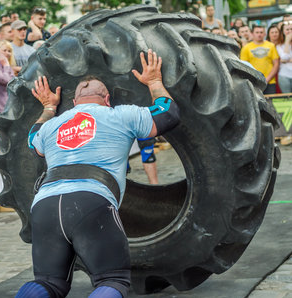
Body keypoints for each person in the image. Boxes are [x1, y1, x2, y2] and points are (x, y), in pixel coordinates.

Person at [16, 49, 180, 298]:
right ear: (107, 100)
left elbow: (32, 141)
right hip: (91, 201)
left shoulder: (52, 125)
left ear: (73, 103)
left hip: (45, 205)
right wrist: (155, 82)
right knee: (112, 280)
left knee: (48, 283)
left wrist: (49, 107)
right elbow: (167, 114)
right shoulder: (121, 114)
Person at [241, 25, 280, 95]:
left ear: (265, 34)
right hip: (253, 82)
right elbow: (244, 66)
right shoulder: (246, 48)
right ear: (252, 34)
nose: (259, 34)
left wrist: (267, 79)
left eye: (261, 32)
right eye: (257, 32)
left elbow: (276, 64)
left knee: (271, 104)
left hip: (270, 81)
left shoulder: (271, 46)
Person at [0, 40, 15, 112]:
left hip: (10, 107)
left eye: (9, 51)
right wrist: (6, 65)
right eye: (4, 50)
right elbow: (6, 80)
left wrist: (6, 66)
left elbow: (13, 84)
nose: (7, 53)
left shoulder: (9, 67)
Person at [277, 22, 292, 93]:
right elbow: (284, 57)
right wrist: (287, 41)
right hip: (284, 76)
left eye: (291, 29)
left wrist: (285, 60)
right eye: (287, 29)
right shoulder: (279, 45)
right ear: (283, 32)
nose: (290, 31)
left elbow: (284, 60)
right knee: (287, 99)